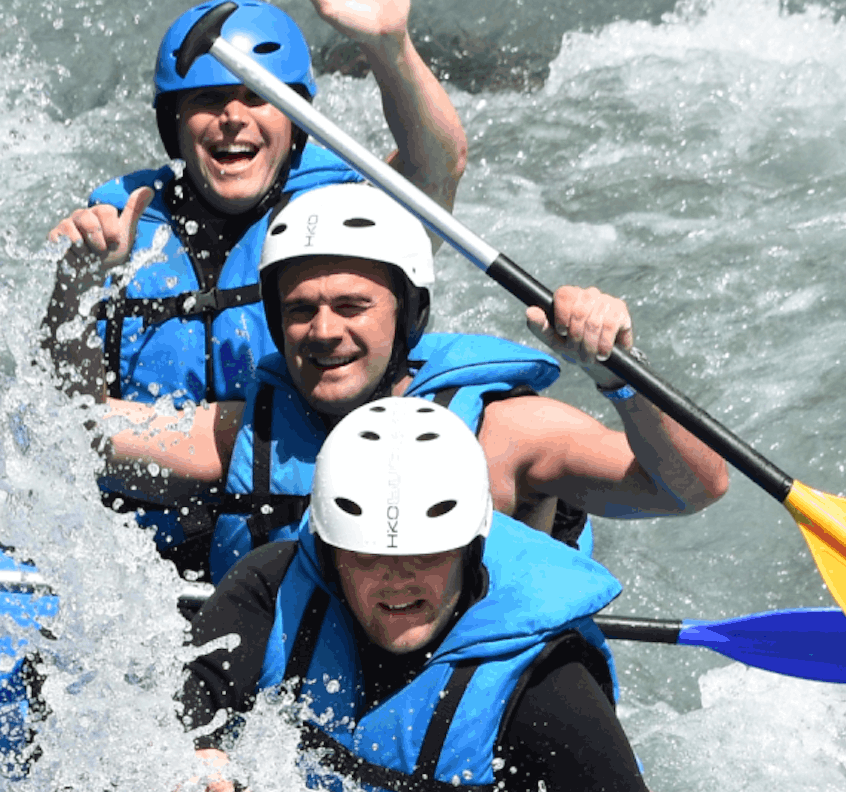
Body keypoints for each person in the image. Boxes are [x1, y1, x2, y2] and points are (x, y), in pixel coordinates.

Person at [181, 398, 716, 792]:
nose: (398, 580)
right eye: (369, 558)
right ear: (330, 558)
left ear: (470, 545)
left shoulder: (545, 689)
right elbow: (180, 705)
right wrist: (194, 752)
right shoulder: (273, 592)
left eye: (427, 554)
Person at [42, 0, 473, 567]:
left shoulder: (338, 214)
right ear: (175, 128)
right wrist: (74, 286)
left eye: (257, 99)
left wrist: (390, 48)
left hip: (299, 540)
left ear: (297, 123)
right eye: (208, 102)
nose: (233, 118)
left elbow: (436, 165)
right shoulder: (117, 226)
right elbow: (64, 416)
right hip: (136, 568)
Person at [101, 185, 732, 580]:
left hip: (474, 746)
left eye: (352, 307)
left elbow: (693, 488)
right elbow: (68, 432)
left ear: (409, 316)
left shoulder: (501, 435)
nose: (323, 332)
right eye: (300, 310)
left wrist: (615, 375)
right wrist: (78, 283)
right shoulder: (246, 432)